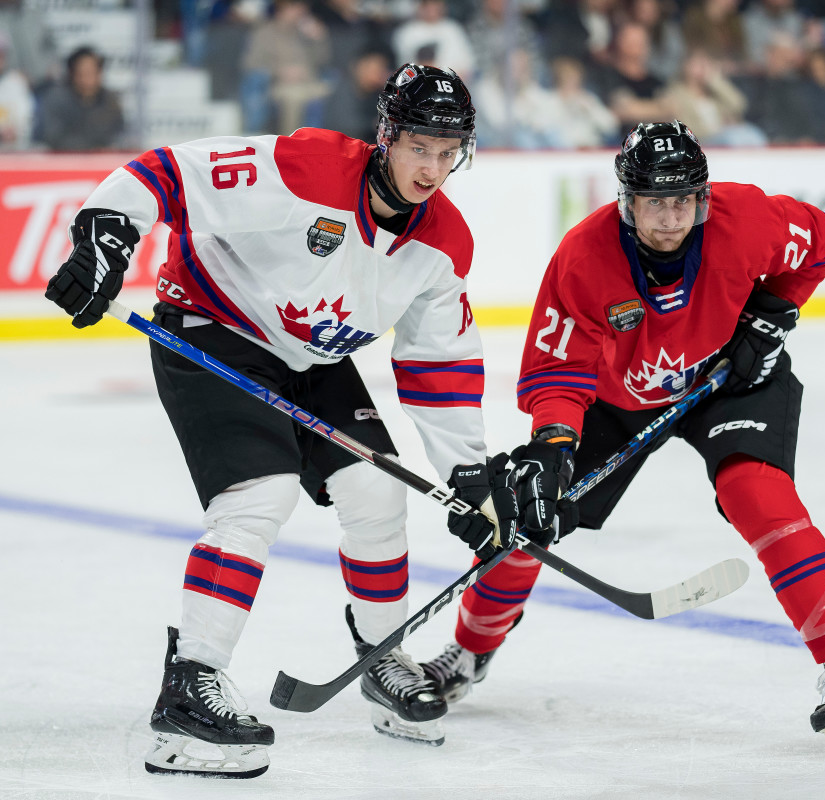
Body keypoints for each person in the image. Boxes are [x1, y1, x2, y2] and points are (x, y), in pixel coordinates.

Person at [44, 63, 517, 778]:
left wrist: (469, 475)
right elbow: (169, 171)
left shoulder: (443, 243)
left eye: (449, 152)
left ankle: (382, 657)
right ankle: (187, 690)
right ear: (386, 137)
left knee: (377, 495)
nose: (434, 167)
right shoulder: (308, 168)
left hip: (312, 359)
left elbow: (439, 366)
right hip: (213, 328)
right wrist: (106, 238)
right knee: (257, 500)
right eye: (421, 146)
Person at [421, 120, 825, 755]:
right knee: (532, 512)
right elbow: (558, 369)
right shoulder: (586, 256)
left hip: (731, 376)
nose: (671, 218)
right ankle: (469, 652)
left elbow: (822, 242)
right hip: (618, 400)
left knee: (758, 496)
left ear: (701, 198)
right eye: (654, 203)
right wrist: (554, 446)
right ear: (627, 201)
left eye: (683, 201)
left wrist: (774, 312)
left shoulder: (746, 219)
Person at [39, 46, 125, 152]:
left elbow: (121, 134)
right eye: (82, 72)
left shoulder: (110, 101)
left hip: (104, 163)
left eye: (92, 71)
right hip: (66, 162)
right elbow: (54, 137)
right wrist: (92, 148)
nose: (87, 78)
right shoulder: (57, 99)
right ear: (72, 73)